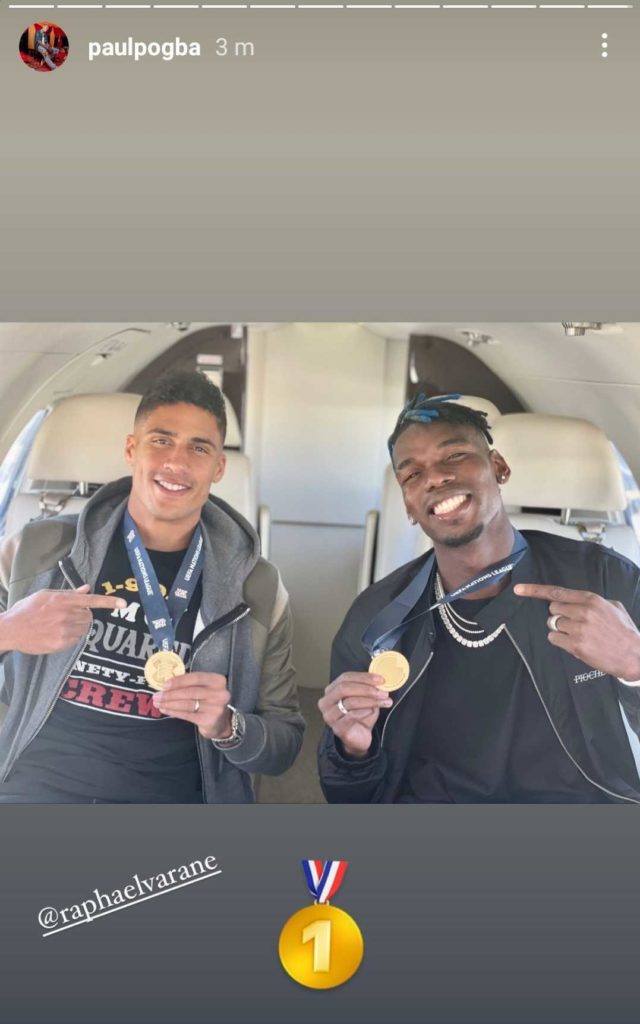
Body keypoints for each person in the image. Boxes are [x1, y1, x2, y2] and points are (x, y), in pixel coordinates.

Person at [318, 395, 640, 803]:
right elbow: (348, 797)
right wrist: (352, 751)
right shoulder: (377, 620)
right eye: (412, 475)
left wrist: (634, 665)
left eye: (454, 455)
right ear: (410, 506)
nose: (434, 478)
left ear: (499, 467)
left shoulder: (607, 580)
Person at [0, 372, 303, 802]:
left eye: (199, 448)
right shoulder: (36, 552)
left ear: (219, 467)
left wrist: (227, 726)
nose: (177, 463)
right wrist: (9, 630)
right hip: (37, 790)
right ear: (131, 449)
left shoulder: (256, 588)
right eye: (161, 440)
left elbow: (284, 745)